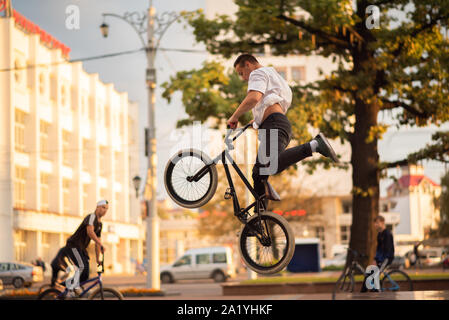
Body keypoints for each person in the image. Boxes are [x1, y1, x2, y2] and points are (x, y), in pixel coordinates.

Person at [227, 54, 339, 207]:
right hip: (277, 124)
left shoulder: (257, 73)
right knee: (259, 173)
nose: (243, 78)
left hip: (275, 124)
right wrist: (258, 120)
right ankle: (261, 218)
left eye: (241, 73)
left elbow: (254, 97)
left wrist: (234, 117)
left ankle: (314, 145)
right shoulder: (274, 75)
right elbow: (271, 102)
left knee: (268, 166)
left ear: (248, 64)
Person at [49, 200, 108, 295]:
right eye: (103, 207)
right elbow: (90, 232)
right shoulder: (91, 217)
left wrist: (98, 259)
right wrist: (100, 243)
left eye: (107, 209)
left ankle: (72, 289)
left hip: (81, 249)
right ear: (97, 207)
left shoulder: (100, 224)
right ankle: (68, 284)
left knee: (86, 273)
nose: (105, 210)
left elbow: (97, 244)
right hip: (73, 245)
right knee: (82, 267)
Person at [361, 215, 395, 292]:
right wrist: (375, 259)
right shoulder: (379, 235)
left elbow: (387, 250)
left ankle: (377, 291)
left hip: (387, 258)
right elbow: (379, 249)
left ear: (382, 223)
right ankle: (362, 294)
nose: (375, 225)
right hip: (381, 258)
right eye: (375, 223)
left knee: (375, 274)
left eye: (377, 223)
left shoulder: (387, 234)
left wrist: (379, 261)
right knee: (368, 273)